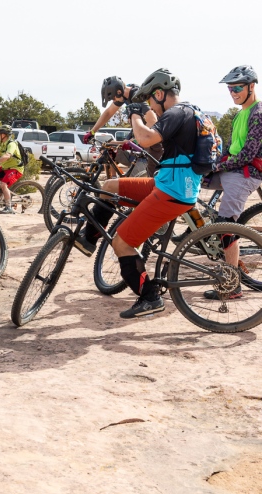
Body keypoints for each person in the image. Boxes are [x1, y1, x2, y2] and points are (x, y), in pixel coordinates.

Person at [74, 68, 200, 319]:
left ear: (160, 94)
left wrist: (136, 116)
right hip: (166, 180)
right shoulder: (181, 110)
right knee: (110, 186)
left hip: (171, 186)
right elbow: (112, 112)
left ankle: (149, 297)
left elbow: (147, 136)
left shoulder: (174, 112)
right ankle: (90, 238)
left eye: (152, 100)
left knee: (121, 242)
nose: (150, 105)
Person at [199, 65, 262, 300]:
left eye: (237, 88)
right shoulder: (239, 114)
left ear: (251, 86)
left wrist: (217, 166)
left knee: (226, 224)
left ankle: (232, 285)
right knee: (190, 180)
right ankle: (200, 232)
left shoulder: (258, 113)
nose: (233, 92)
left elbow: (246, 155)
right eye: (230, 89)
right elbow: (231, 150)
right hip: (233, 169)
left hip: (245, 174)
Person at [85, 75, 163, 177]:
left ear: (119, 92)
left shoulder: (137, 95)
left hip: (150, 145)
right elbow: (108, 113)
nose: (113, 101)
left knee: (132, 185)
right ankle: (112, 180)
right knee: (109, 150)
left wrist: (135, 141)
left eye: (113, 98)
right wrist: (92, 131)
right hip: (139, 138)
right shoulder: (125, 94)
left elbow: (153, 121)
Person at [0, 125, 25, 214]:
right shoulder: (4, 144)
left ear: (4, 135)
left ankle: (9, 207)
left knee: (3, 185)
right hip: (5, 168)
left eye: (0, 134)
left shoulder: (11, 144)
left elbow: (7, 155)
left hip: (15, 169)